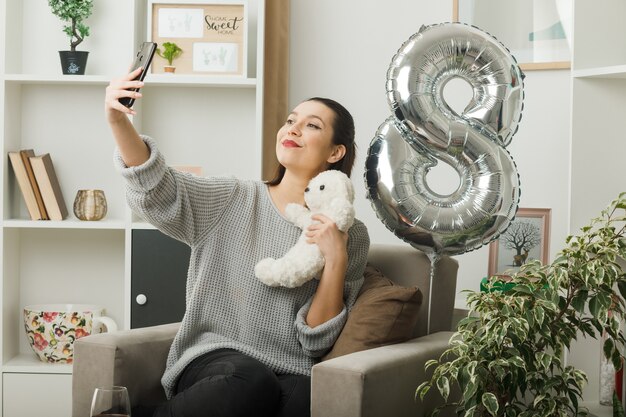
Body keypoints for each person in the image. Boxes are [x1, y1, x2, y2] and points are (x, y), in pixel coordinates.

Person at [104, 67, 370, 417]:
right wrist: (118, 121)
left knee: (309, 400)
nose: (293, 128)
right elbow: (157, 191)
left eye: (312, 125)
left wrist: (335, 258)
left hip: (289, 370)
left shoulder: (352, 235)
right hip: (215, 361)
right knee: (251, 380)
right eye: (291, 120)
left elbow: (317, 340)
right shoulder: (233, 198)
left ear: (336, 152)